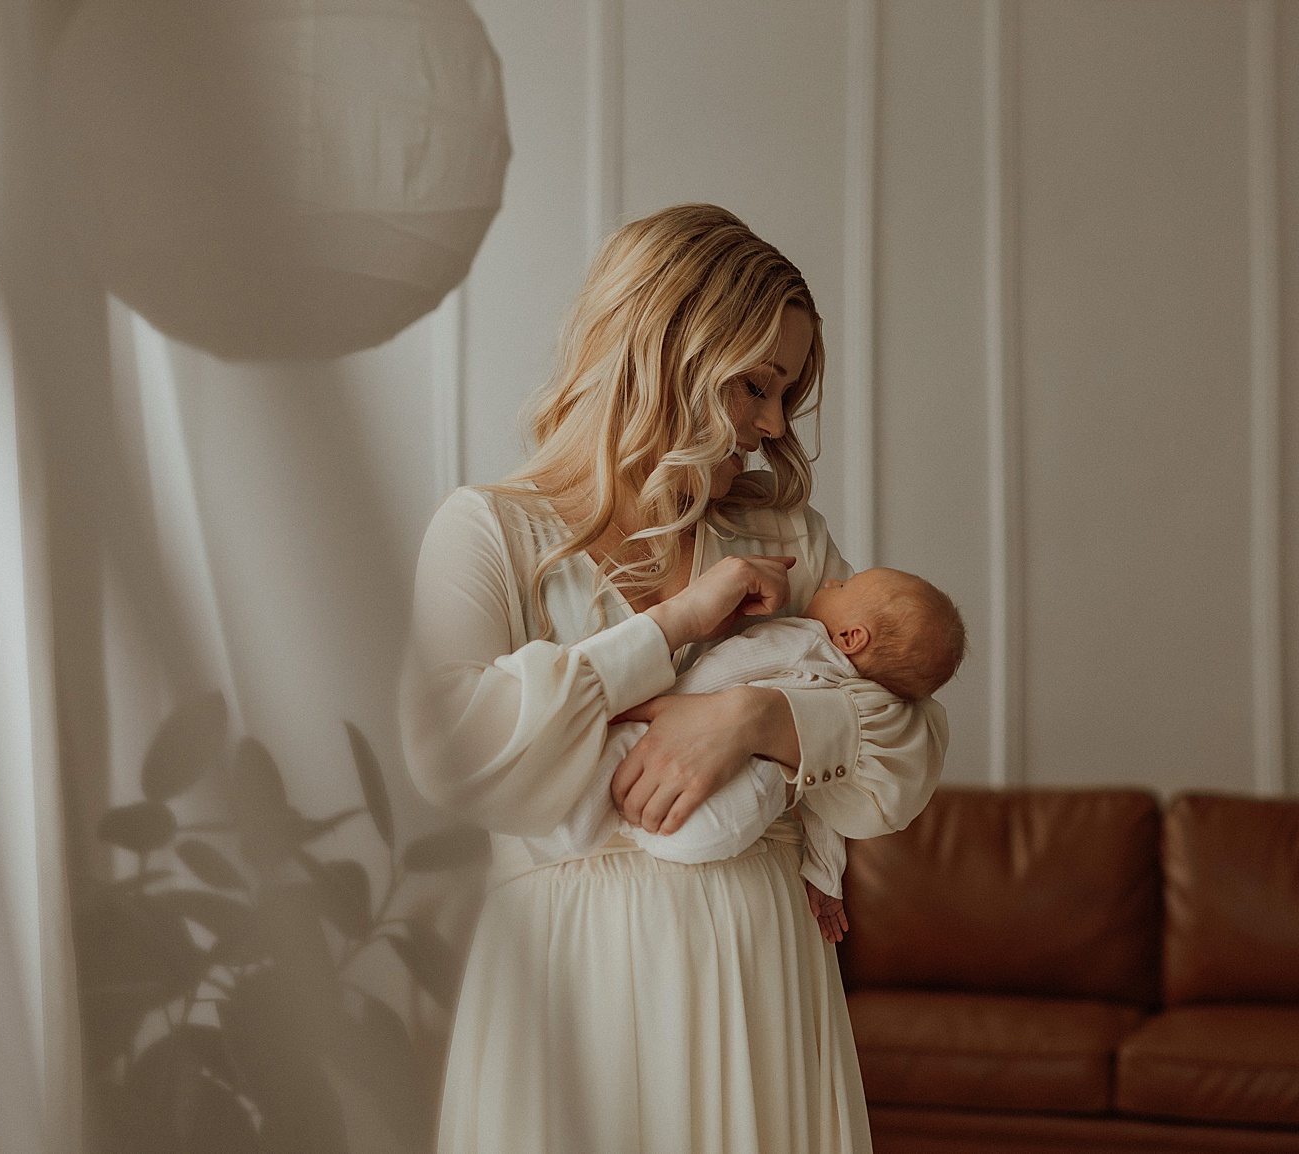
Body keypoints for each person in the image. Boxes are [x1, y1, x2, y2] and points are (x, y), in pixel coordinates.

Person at [399, 204, 948, 1152]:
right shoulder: (487, 532)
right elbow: (454, 757)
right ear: (665, 352)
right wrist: (662, 636)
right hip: (568, 995)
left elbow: (906, 752)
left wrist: (751, 718)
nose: (773, 425)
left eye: (788, 396)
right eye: (758, 386)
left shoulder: (782, 538)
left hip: (762, 981)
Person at [557, 567, 967, 944]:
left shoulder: (802, 641)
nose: (828, 583)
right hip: (743, 813)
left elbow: (721, 674)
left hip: (709, 793)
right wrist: (826, 878)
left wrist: (653, 707)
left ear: (851, 637)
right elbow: (825, 807)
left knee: (613, 770)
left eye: (842, 587)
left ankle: (579, 826)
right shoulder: (849, 695)